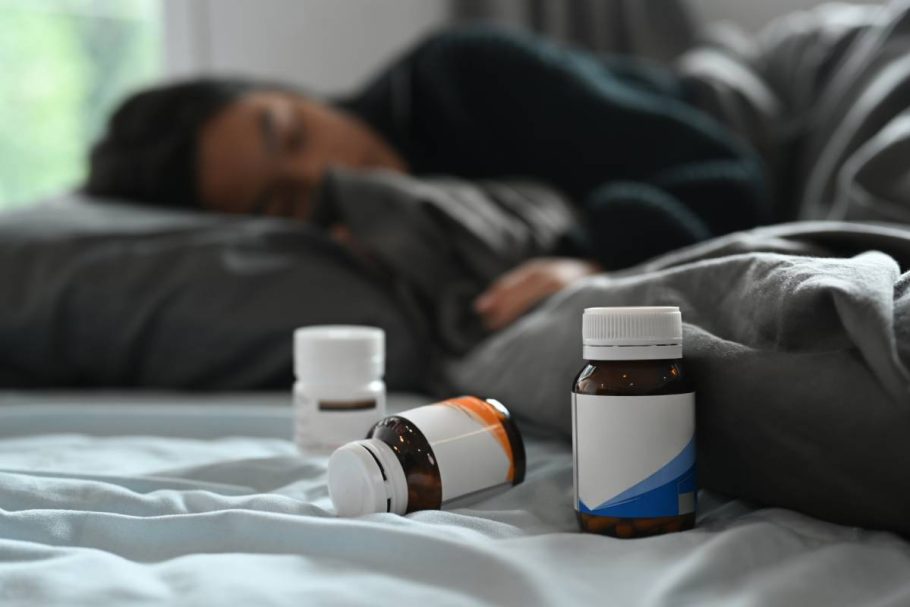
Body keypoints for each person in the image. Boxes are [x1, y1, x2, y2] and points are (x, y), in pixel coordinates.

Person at [87, 26, 768, 330]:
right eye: (282, 197)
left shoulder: (460, 77)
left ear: (288, 90)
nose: (324, 167)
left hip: (742, 109)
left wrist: (594, 257)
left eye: (292, 131)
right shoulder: (343, 251)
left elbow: (729, 178)